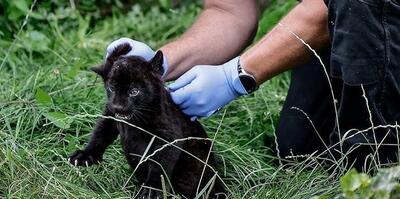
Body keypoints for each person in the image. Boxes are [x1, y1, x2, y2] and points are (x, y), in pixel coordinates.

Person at [105, 0, 400, 171]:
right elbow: (229, 11)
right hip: (355, 22)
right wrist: (160, 63)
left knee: (367, 155)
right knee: (302, 149)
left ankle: (381, 168)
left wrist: (237, 75)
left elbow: (335, 8)